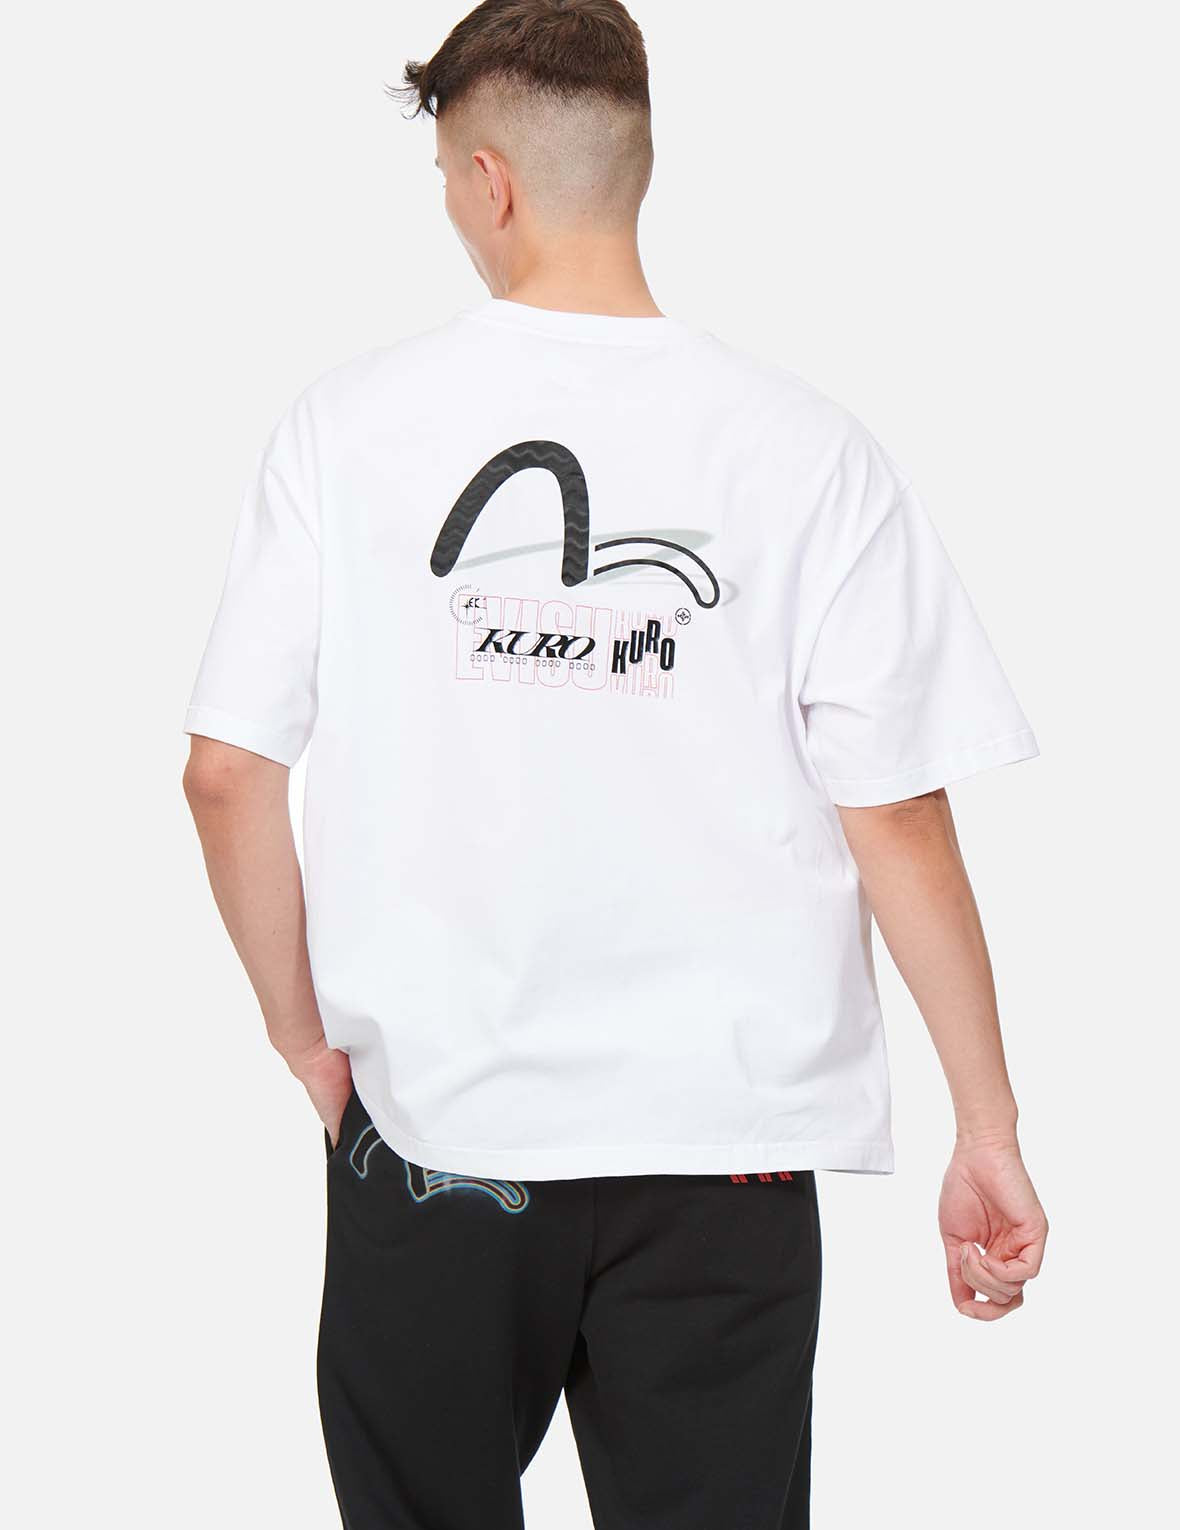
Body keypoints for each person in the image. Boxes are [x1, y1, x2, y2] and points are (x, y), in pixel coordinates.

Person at [182, 2, 1049, 1525]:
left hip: (440, 1131)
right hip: (725, 1151)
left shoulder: (346, 430)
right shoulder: (807, 449)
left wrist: (304, 1039)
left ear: (490, 181)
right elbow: (900, 810)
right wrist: (987, 1124)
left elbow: (227, 773)